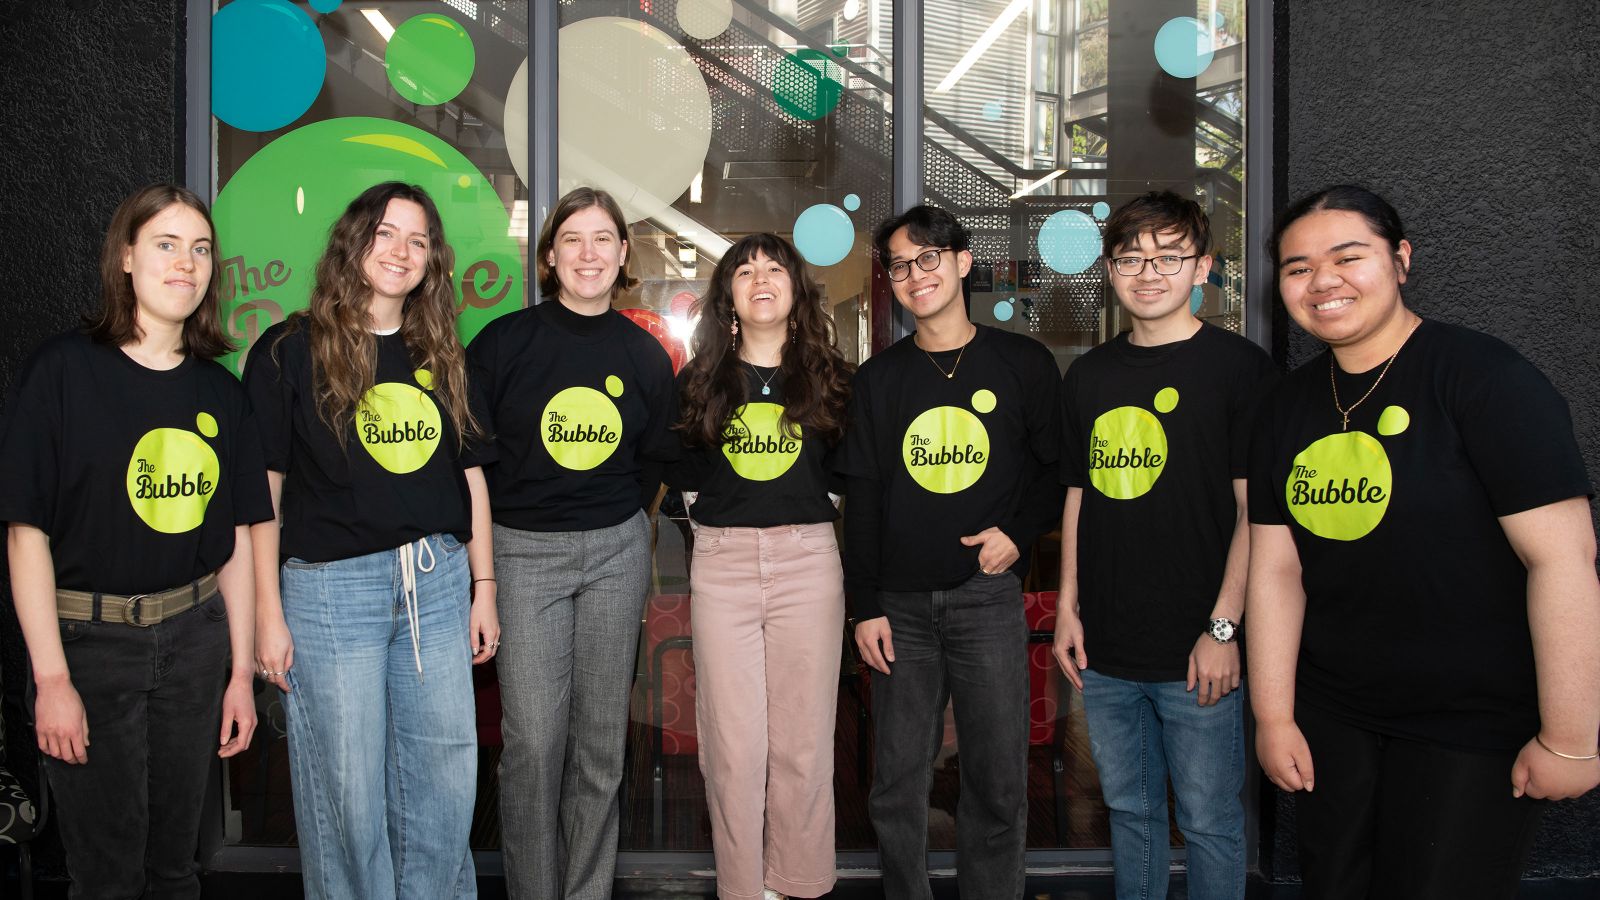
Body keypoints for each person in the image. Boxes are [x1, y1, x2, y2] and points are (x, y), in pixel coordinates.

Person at [1247, 184, 1600, 900]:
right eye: (1297, 267)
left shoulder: (1487, 381)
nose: (1323, 282)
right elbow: (1277, 569)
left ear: (1400, 260)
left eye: (1349, 257)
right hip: (1334, 715)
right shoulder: (1286, 406)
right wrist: (1274, 715)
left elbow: (1562, 560)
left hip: (1470, 724)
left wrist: (1571, 737)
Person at [0, 183, 270, 897]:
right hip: (88, 649)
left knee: (177, 868)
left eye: (201, 249)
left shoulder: (222, 392)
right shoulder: (60, 373)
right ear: (125, 257)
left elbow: (236, 541)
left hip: (195, 643)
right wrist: (52, 679)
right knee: (106, 875)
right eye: (166, 244)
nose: (187, 263)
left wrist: (239, 675)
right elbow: (27, 537)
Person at [245, 182, 499, 900]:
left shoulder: (442, 352)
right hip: (331, 591)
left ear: (432, 260)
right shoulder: (288, 351)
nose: (402, 252)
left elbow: (472, 478)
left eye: (418, 241)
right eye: (387, 234)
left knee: (445, 780)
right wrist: (268, 613)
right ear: (354, 243)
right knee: (346, 791)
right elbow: (261, 495)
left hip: (440, 577)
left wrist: (486, 589)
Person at [837, 205, 1063, 900]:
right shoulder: (879, 381)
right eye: (900, 265)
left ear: (964, 262)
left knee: (997, 778)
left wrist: (1017, 534)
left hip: (985, 599)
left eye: (927, 258)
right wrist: (865, 607)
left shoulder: (1022, 363)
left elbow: (1059, 471)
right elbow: (864, 500)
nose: (914, 275)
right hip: (899, 610)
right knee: (897, 781)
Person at [1053, 191, 1274, 900]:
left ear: (1202, 267)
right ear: (1111, 271)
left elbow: (1255, 514)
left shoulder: (1241, 370)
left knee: (1209, 819)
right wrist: (1066, 608)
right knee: (1130, 813)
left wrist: (1223, 629)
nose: (1148, 272)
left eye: (1168, 256)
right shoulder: (1089, 375)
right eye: (1130, 258)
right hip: (1108, 649)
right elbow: (1078, 497)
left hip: (1198, 651)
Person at [467, 186, 678, 899]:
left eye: (603, 239)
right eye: (573, 239)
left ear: (623, 256)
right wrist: (486, 571)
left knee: (598, 742)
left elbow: (654, 461)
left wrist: (624, 526)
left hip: (616, 552)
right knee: (531, 744)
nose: (588, 253)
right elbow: (472, 462)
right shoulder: (502, 344)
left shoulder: (645, 355)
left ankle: (586, 889)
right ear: (549, 255)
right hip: (522, 554)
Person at [669, 233, 852, 900]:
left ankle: (799, 883)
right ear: (729, 299)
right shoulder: (698, 382)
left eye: (774, 268)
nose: (760, 278)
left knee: (803, 744)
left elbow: (843, 477)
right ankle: (744, 888)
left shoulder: (833, 377)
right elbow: (685, 478)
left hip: (809, 562)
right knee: (734, 747)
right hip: (723, 566)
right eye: (744, 271)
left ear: (797, 290)